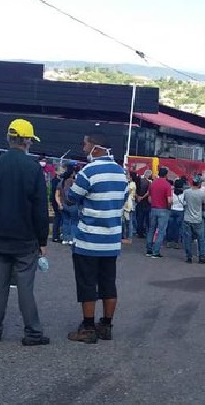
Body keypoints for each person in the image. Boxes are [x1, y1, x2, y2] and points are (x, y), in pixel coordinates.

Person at [0, 119, 49, 346]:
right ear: (27, 140)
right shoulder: (33, 168)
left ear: (10, 139)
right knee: (25, 288)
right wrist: (42, 239)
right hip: (25, 239)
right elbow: (40, 209)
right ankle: (32, 333)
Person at [66, 132, 128, 343]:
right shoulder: (121, 173)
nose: (83, 149)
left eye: (86, 145)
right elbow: (124, 198)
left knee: (87, 284)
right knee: (108, 283)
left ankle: (88, 328)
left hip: (88, 240)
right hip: (111, 241)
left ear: (96, 147)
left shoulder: (88, 171)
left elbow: (72, 197)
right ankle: (107, 325)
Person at [146, 167, 172, 258]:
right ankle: (156, 251)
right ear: (166, 174)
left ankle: (149, 249)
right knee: (161, 231)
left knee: (151, 229)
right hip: (163, 209)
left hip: (153, 208)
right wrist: (169, 207)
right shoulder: (167, 185)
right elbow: (169, 200)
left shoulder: (153, 183)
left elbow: (149, 198)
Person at [182, 174, 205, 264]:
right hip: (198, 219)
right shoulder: (202, 193)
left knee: (188, 238)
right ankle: (201, 257)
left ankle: (189, 257)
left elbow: (183, 202)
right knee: (201, 239)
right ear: (199, 183)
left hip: (187, 218)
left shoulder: (186, 192)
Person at [56, 168, 78, 245]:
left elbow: (57, 195)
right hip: (72, 205)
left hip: (63, 204)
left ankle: (65, 239)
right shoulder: (73, 181)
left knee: (65, 222)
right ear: (71, 174)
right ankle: (72, 238)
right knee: (74, 222)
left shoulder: (61, 182)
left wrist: (59, 204)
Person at [166, 179, 185, 249]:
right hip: (180, 210)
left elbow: (169, 201)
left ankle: (168, 242)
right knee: (178, 227)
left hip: (172, 209)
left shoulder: (171, 192)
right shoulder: (184, 193)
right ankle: (177, 243)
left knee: (170, 226)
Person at [135, 170, 151, 238]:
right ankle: (145, 232)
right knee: (146, 218)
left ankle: (139, 232)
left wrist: (138, 197)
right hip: (145, 202)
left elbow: (134, 190)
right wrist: (142, 197)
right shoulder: (149, 182)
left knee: (139, 218)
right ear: (149, 175)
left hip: (138, 202)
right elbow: (148, 192)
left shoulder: (138, 181)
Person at [122, 171, 137, 244]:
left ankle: (129, 238)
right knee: (127, 222)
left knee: (129, 222)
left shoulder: (131, 184)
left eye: (128, 175)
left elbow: (127, 192)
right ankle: (127, 237)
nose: (127, 176)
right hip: (128, 204)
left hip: (129, 204)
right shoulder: (130, 183)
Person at [50, 167, 62, 243]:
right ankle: (55, 236)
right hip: (56, 201)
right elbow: (56, 192)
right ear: (56, 172)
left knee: (58, 218)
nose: (62, 172)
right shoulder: (55, 181)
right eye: (61, 170)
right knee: (57, 218)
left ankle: (56, 235)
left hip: (56, 201)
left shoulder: (57, 180)